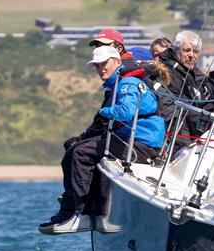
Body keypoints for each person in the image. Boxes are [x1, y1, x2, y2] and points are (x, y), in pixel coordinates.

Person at [39, 46, 165, 235]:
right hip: (135, 142)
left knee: (80, 153)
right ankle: (88, 212)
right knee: (77, 149)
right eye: (97, 65)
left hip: (141, 146)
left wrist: (104, 112)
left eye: (104, 63)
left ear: (117, 62)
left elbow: (125, 112)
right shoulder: (122, 82)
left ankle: (84, 214)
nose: (100, 68)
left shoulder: (127, 83)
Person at [158, 30, 207, 145]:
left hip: (192, 132)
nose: (191, 55)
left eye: (195, 51)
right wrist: (207, 128)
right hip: (175, 136)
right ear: (176, 50)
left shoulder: (194, 75)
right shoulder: (169, 72)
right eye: (186, 50)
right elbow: (185, 107)